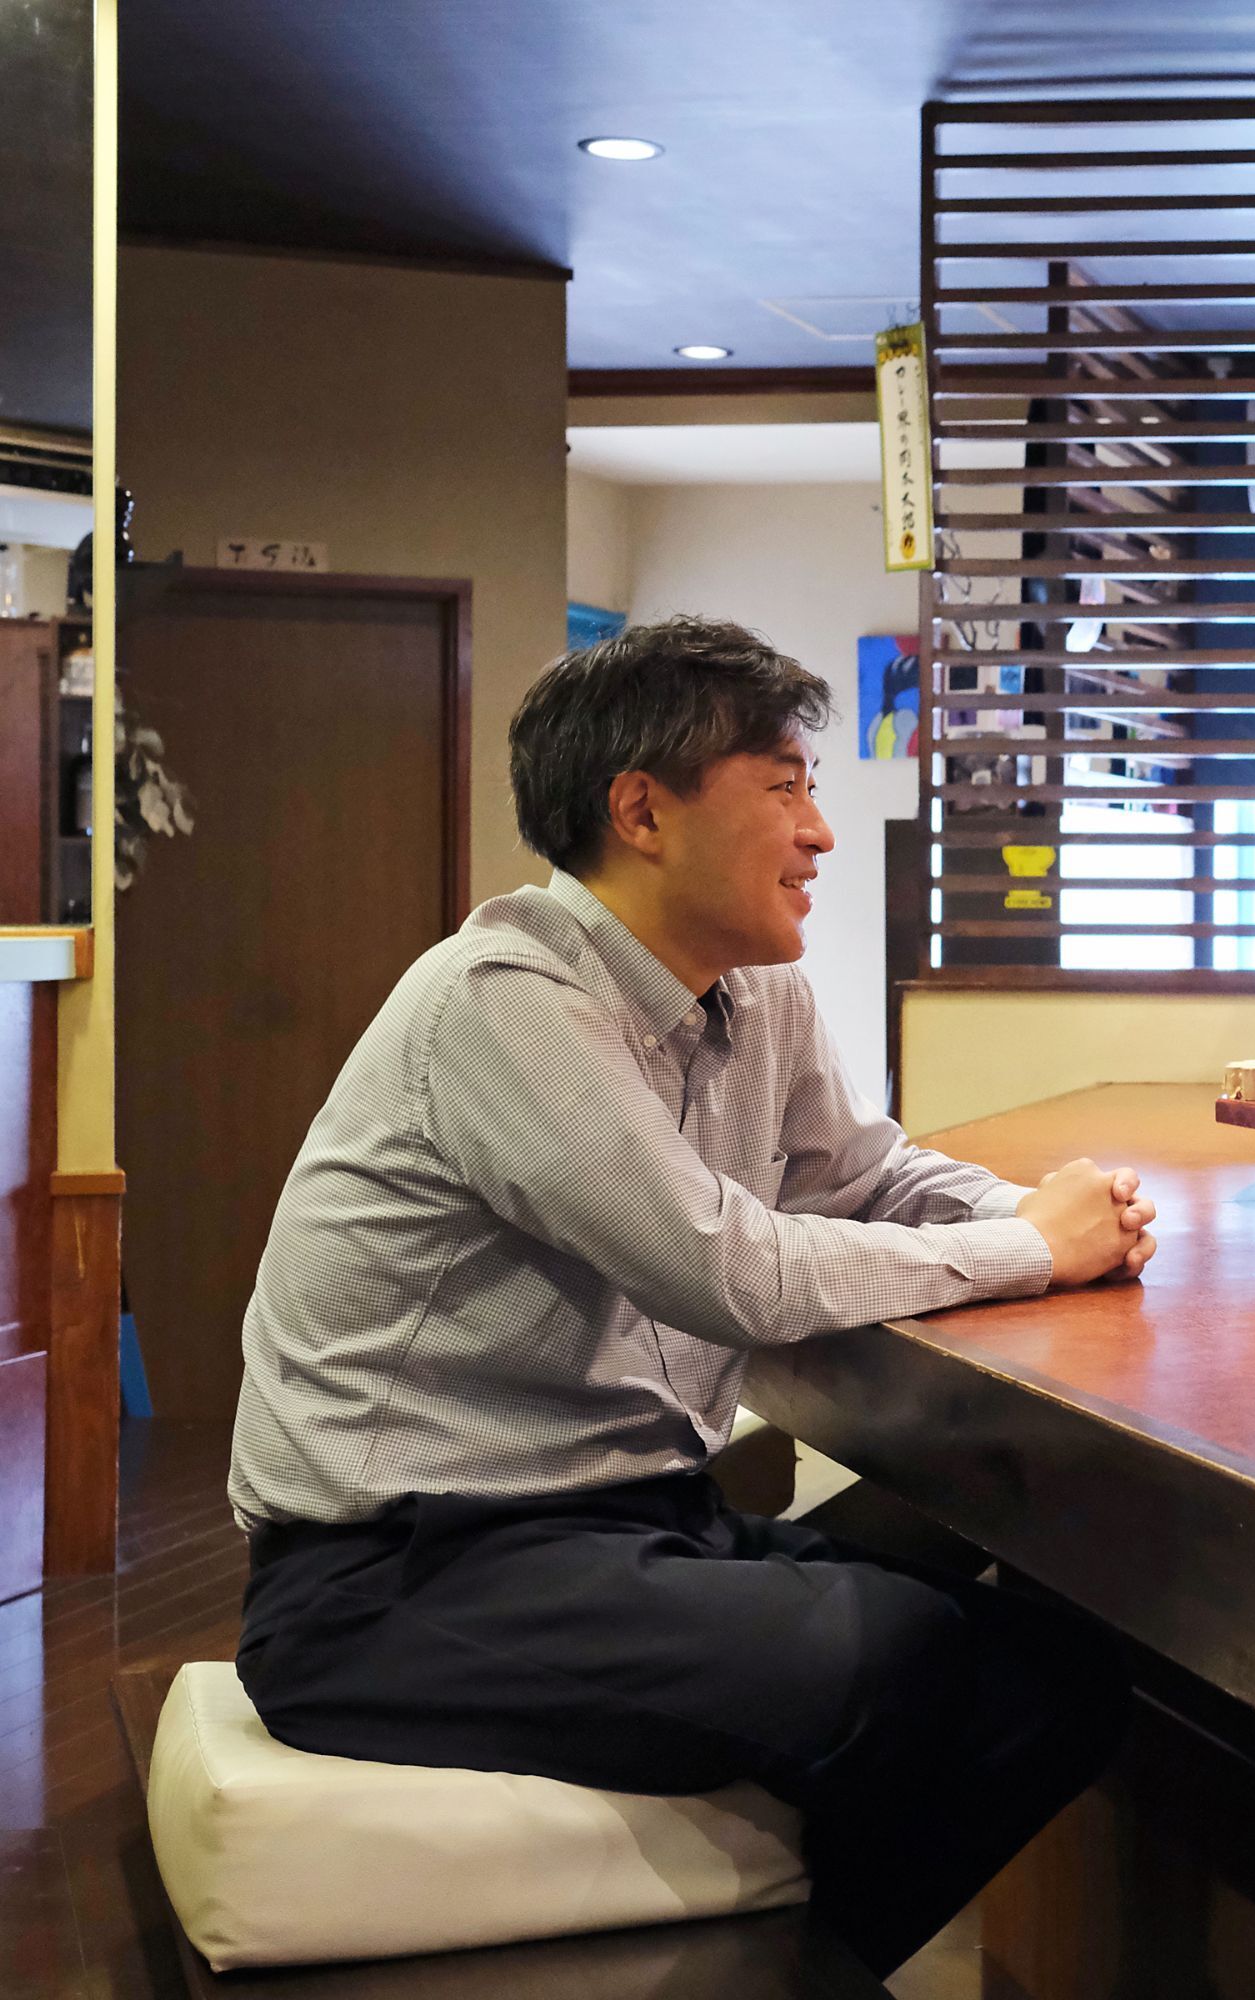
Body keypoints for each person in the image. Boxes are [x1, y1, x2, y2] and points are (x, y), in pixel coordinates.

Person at [225, 617, 1151, 1975]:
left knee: (1065, 1675)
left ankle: (801, 1970)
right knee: (886, 1650)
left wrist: (1046, 1213)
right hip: (391, 1579)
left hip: (623, 1525)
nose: (821, 831)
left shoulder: (755, 993)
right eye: (783, 787)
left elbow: (867, 1175)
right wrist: (1031, 1250)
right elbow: (730, 1269)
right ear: (642, 811)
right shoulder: (504, 1001)